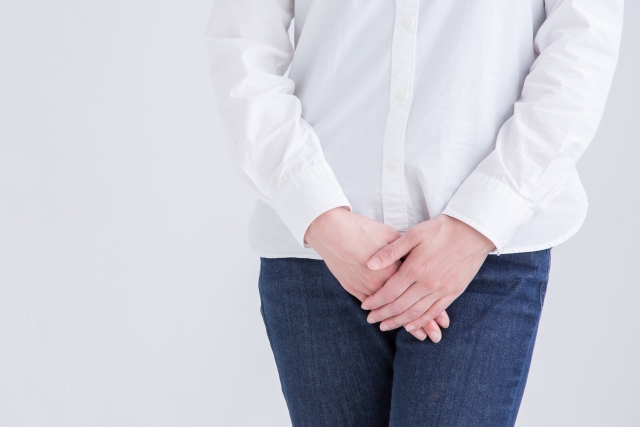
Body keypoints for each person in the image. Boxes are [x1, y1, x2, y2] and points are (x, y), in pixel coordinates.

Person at [204, 0, 623, 425]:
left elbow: (581, 44)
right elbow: (243, 45)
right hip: (319, 253)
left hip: (481, 254)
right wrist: (320, 214)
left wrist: (481, 219)